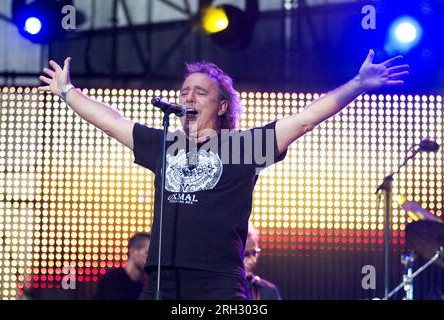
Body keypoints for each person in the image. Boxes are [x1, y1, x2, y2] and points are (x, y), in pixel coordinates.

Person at [38, 50, 408, 299]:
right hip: (163, 280)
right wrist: (67, 91)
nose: (188, 98)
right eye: (184, 92)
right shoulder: (163, 143)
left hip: (217, 282)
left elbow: (304, 120)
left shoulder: (242, 146)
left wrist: (358, 85)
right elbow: (113, 121)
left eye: (200, 92)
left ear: (223, 105)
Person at [94, 232, 150, 300]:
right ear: (133, 252)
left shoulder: (141, 286)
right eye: (147, 252)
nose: (151, 257)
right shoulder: (113, 278)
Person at [245, 224, 282, 300]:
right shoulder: (220, 288)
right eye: (246, 254)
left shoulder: (269, 291)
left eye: (254, 253)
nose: (253, 260)